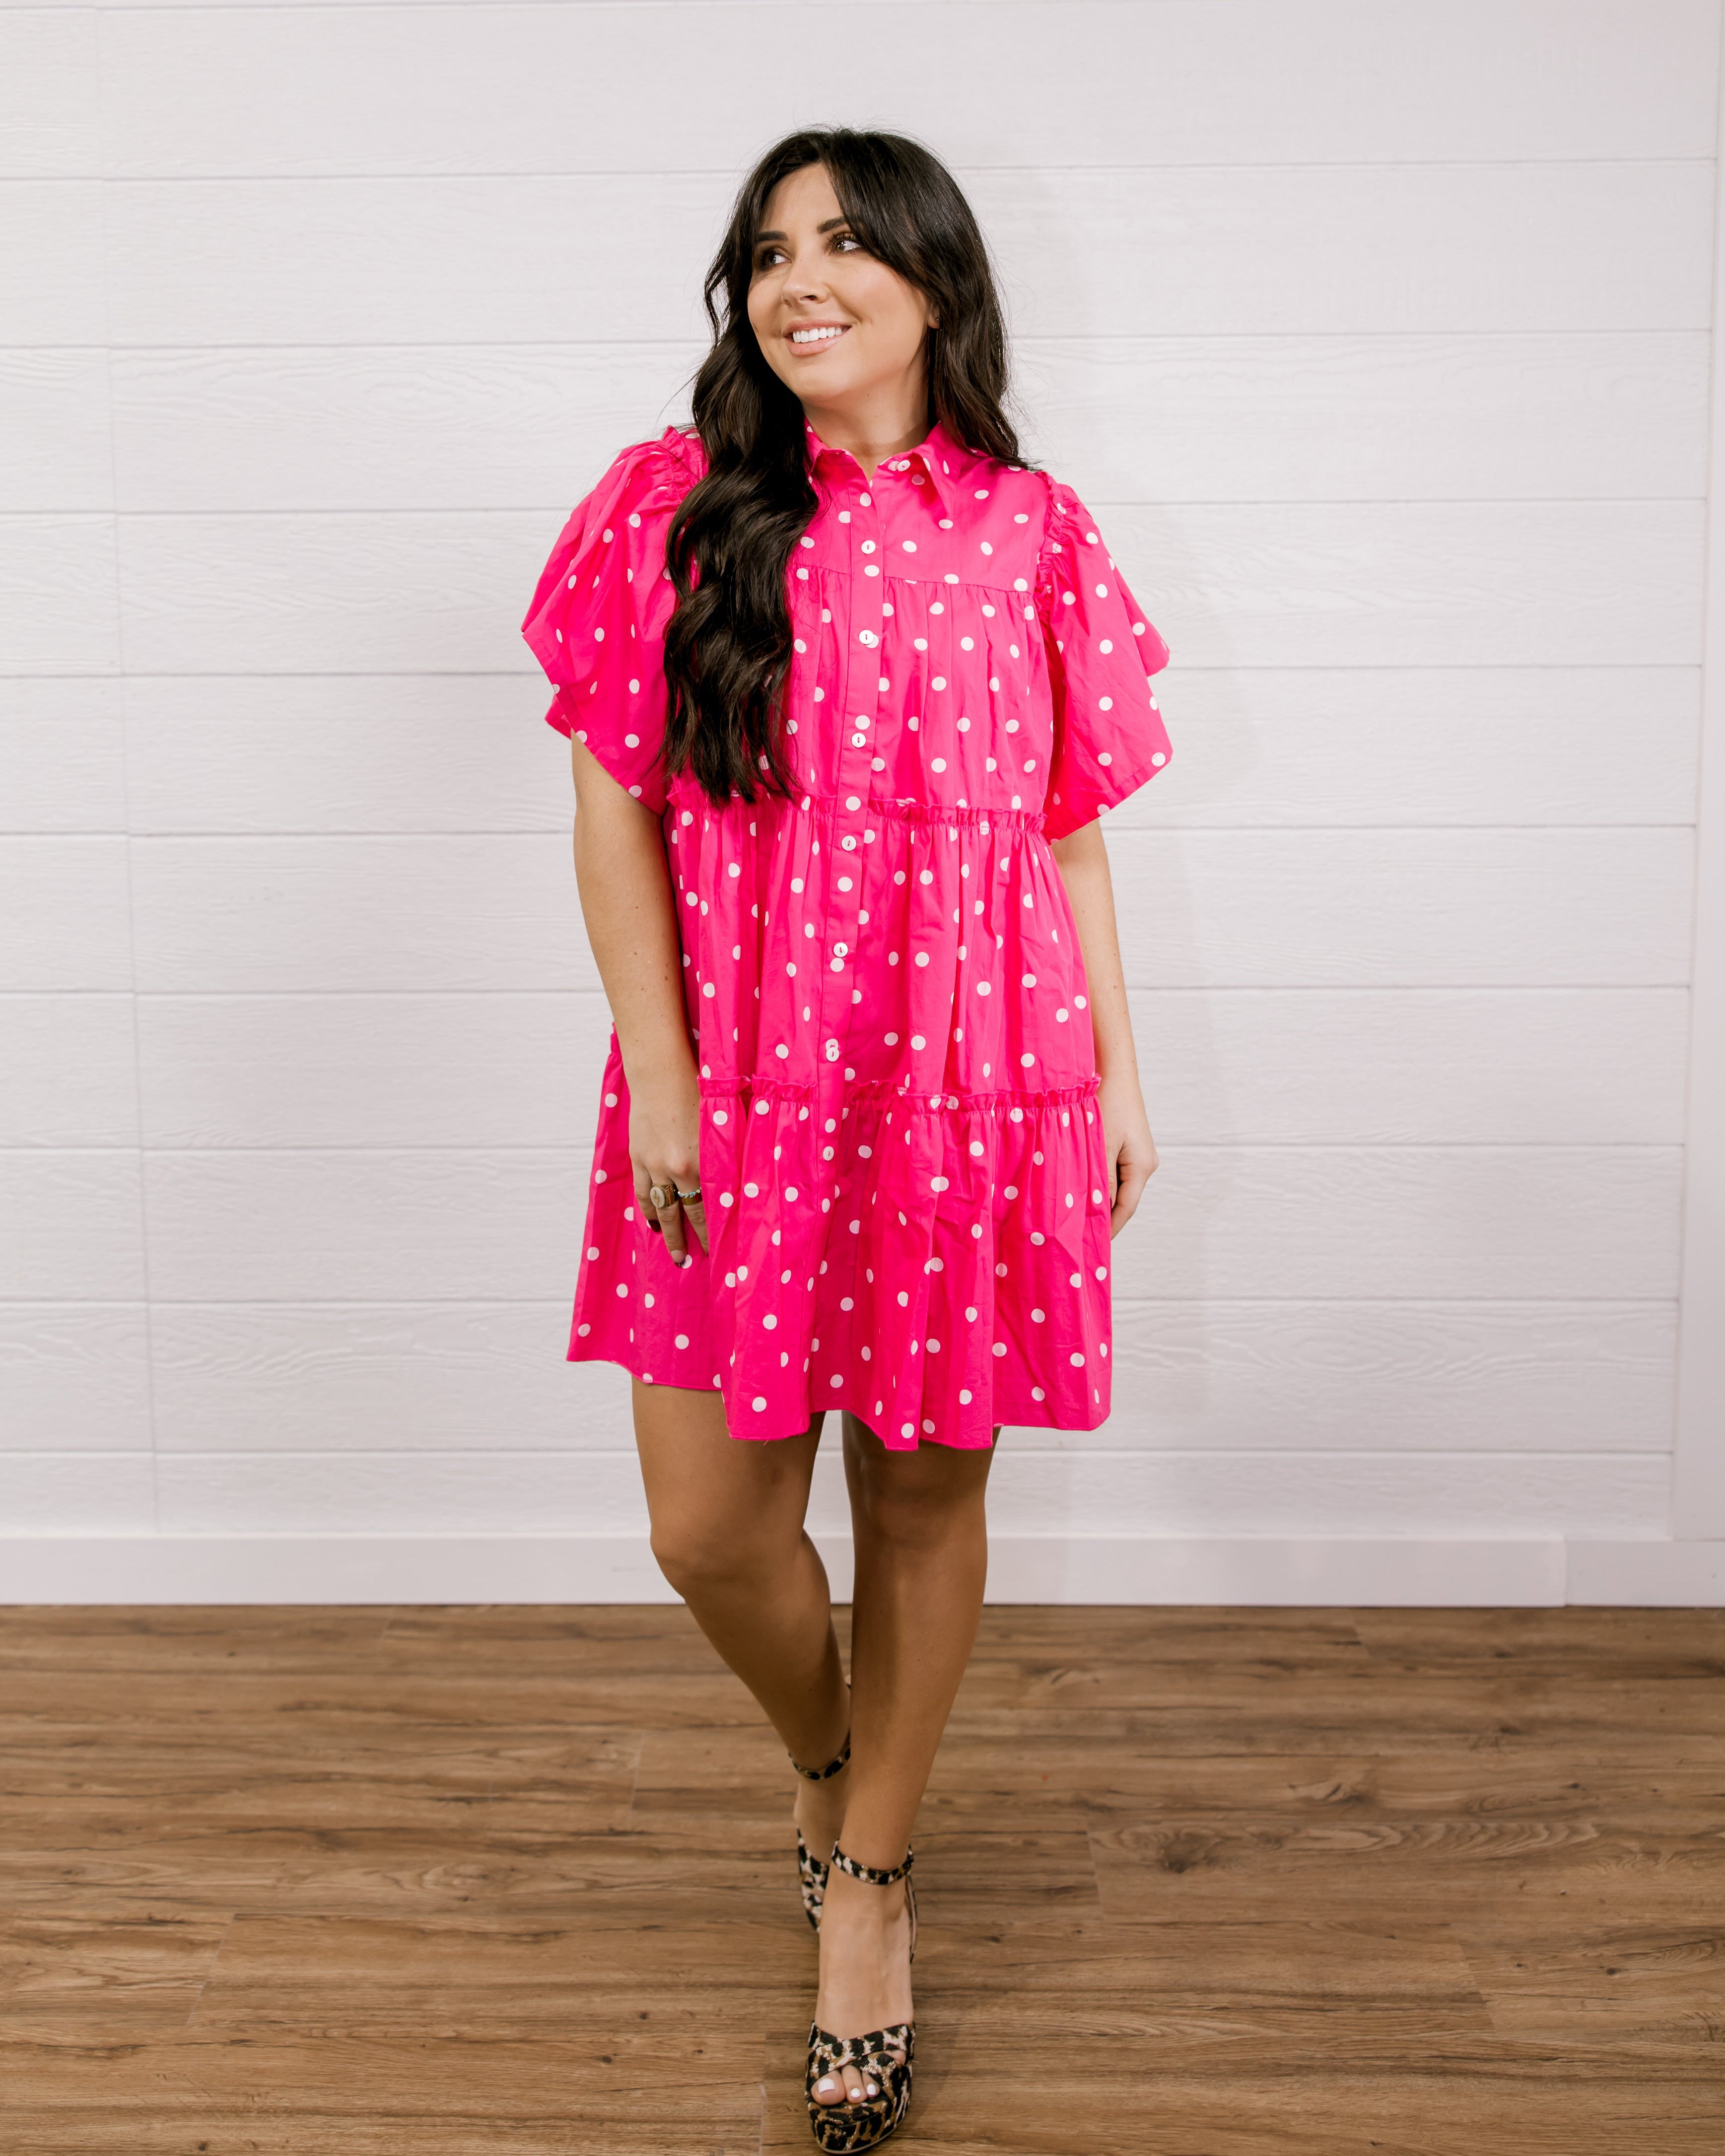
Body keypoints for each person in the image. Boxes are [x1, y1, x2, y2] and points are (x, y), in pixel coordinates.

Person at [521, 126, 1172, 2151]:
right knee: (707, 1528)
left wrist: (1120, 1080)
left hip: (976, 1088)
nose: (801, 276)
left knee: (915, 1499)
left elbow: (1061, 820)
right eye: (769, 249)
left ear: (929, 280)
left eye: (843, 241)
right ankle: (832, 1771)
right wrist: (665, 1068)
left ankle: (868, 1890)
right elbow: (613, 807)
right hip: (736, 1090)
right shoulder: (673, 505)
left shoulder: (1032, 530)